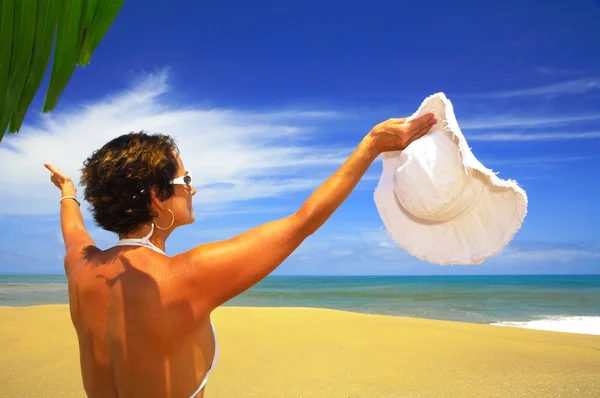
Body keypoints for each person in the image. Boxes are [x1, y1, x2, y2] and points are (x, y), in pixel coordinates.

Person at [44, 113, 437, 398]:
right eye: (186, 180)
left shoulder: (81, 266)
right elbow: (302, 221)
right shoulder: (186, 275)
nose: (192, 190)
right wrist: (371, 145)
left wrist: (67, 191)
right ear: (155, 196)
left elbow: (72, 229)